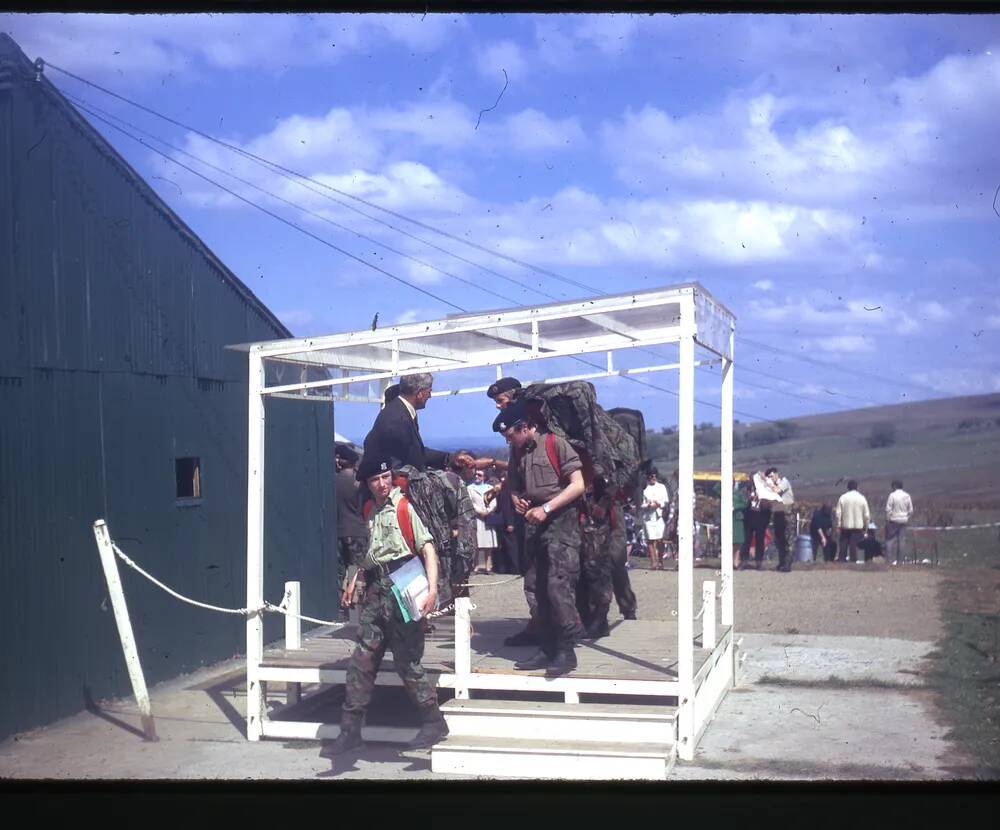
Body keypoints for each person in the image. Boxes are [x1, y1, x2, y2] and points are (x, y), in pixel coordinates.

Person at [323, 453, 448, 756]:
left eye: (385, 478)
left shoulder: (404, 508)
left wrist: (432, 590)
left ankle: (434, 721)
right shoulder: (370, 510)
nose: (381, 484)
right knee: (361, 661)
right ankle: (350, 730)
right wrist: (354, 580)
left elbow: (427, 548)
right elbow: (368, 556)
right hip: (376, 593)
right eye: (375, 480)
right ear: (367, 483)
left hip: (405, 588)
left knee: (408, 663)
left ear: (391, 478)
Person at [497, 400, 586, 673]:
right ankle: (546, 648)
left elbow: (578, 485)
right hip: (535, 522)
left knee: (556, 585)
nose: (509, 442)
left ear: (524, 427)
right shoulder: (518, 452)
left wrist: (546, 508)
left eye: (511, 435)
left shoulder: (555, 444)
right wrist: (516, 499)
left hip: (561, 521)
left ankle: (565, 651)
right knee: (535, 585)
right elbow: (513, 483)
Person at [576, 475, 615, 640]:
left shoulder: (598, 453)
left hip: (595, 522)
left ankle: (599, 620)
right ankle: (586, 619)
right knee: (580, 572)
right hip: (577, 519)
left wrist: (603, 504)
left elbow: (617, 478)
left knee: (597, 570)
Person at [335, 444, 367, 618]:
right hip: (358, 531)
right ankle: (354, 606)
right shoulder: (358, 483)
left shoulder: (333, 480)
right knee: (356, 569)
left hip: (339, 531)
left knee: (339, 571)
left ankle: (339, 607)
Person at [740, 469, 781, 570]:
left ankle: (759, 562)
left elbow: (771, 500)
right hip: (750, 515)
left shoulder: (766, 488)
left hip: (761, 516)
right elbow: (743, 501)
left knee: (760, 539)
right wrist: (748, 499)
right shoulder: (747, 489)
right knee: (747, 539)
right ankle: (744, 560)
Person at [467, 468, 499, 574]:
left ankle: (488, 566)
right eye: (476, 475)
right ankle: (475, 566)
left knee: (488, 544)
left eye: (479, 475)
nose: (477, 477)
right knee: (476, 543)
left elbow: (493, 501)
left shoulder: (490, 488)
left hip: (487, 518)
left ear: (484, 477)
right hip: (476, 518)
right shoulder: (470, 488)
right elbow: (470, 502)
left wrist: (488, 511)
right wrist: (479, 511)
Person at [835, 480, 871, 564]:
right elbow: (866, 515)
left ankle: (842, 561)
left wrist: (838, 525)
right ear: (857, 487)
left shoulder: (843, 497)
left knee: (843, 545)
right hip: (858, 526)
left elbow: (838, 513)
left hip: (845, 526)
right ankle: (856, 561)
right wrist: (866, 527)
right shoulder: (862, 498)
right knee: (856, 545)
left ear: (848, 488)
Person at [767, 467, 795, 573]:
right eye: (769, 477)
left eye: (772, 476)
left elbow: (777, 490)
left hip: (787, 513)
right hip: (777, 513)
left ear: (777, 475)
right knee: (779, 539)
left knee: (789, 539)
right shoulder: (771, 487)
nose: (771, 478)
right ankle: (782, 562)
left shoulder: (784, 482)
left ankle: (788, 563)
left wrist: (769, 484)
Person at [641, 469, 670, 570]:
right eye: (650, 476)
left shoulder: (662, 487)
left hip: (659, 516)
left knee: (660, 539)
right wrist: (648, 505)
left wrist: (658, 504)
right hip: (648, 517)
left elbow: (665, 501)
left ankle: (660, 561)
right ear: (647, 477)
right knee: (650, 540)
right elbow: (640, 503)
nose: (653, 478)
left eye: (654, 476)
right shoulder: (644, 488)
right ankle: (653, 562)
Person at [885, 480, 914, 565]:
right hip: (903, 520)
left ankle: (889, 561)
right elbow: (911, 510)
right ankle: (900, 562)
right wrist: (906, 517)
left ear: (894, 486)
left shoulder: (892, 495)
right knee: (901, 541)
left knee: (889, 541)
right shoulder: (907, 496)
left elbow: (888, 509)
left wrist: (888, 519)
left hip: (893, 520)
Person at [732, 480, 749, 570]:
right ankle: (729, 562)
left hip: (737, 519)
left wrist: (735, 506)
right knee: (729, 542)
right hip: (728, 519)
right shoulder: (723, 492)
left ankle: (736, 561)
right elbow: (716, 488)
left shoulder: (738, 493)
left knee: (738, 542)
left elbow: (744, 504)